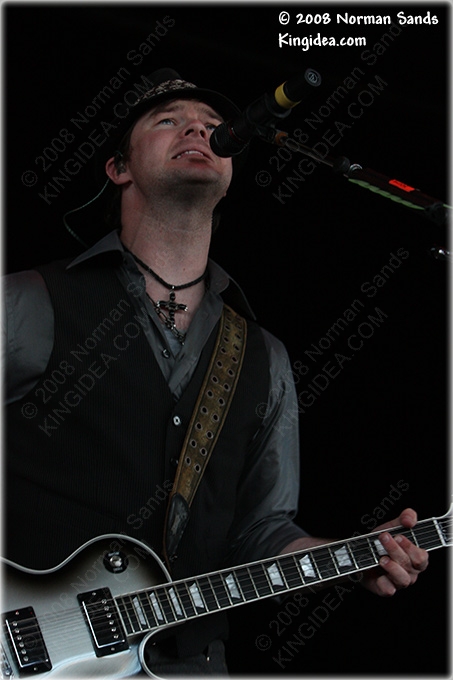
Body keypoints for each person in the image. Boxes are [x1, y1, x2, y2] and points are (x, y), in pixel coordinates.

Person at [4, 68, 428, 676]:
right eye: (168, 119)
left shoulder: (263, 355)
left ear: (228, 174)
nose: (198, 130)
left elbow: (262, 530)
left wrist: (350, 557)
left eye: (212, 125)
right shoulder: (26, 303)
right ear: (118, 168)